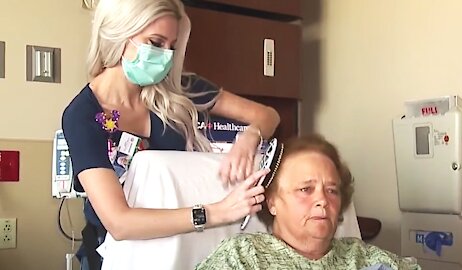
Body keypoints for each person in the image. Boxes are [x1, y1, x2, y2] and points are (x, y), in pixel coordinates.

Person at [61, 0, 280, 269]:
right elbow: (119, 222)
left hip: (188, 243)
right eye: (155, 42)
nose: (166, 56)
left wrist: (250, 137)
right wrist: (217, 213)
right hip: (125, 253)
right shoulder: (84, 117)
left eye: (172, 47)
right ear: (120, 34)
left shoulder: (180, 91)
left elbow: (268, 116)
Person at [195, 134, 421, 270]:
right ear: (271, 201)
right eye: (306, 189)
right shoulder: (244, 255)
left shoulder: (360, 257)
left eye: (332, 190)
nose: (322, 200)